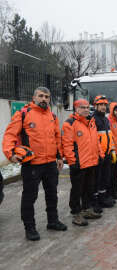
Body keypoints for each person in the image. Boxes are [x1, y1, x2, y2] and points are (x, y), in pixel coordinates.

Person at [2, 87, 67, 241]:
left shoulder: (52, 115)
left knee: (52, 194)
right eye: (41, 96)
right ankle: (29, 228)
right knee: (29, 197)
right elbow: (10, 134)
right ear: (34, 97)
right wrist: (10, 154)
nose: (44, 99)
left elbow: (57, 137)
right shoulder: (23, 114)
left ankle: (53, 221)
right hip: (32, 164)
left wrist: (59, 156)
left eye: (47, 97)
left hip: (51, 163)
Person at [62, 99, 103, 226]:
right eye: (82, 107)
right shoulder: (70, 123)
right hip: (79, 163)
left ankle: (86, 209)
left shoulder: (91, 122)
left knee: (89, 188)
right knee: (77, 190)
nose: (86, 109)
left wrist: (100, 154)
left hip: (91, 161)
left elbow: (96, 141)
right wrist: (72, 162)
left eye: (87, 107)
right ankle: (76, 213)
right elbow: (67, 145)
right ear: (76, 109)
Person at [92, 95, 115, 211]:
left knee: (105, 177)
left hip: (106, 154)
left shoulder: (106, 120)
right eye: (100, 105)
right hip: (98, 155)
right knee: (96, 178)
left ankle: (103, 197)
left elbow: (109, 137)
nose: (103, 107)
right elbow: (93, 139)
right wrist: (99, 153)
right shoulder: (93, 119)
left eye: (104, 105)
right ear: (95, 106)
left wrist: (111, 150)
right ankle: (95, 201)